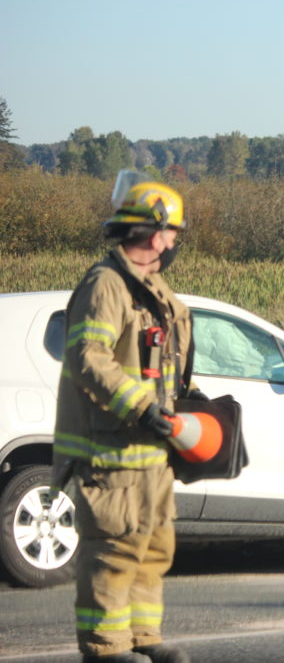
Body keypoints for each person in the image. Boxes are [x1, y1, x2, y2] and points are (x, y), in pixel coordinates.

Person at [53, 170, 199, 663]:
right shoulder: (107, 285)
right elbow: (89, 359)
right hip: (110, 453)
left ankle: (143, 641)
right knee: (114, 554)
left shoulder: (154, 291)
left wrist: (203, 411)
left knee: (152, 553)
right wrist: (141, 407)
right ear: (156, 232)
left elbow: (168, 369)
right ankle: (106, 650)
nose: (176, 242)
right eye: (175, 232)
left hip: (152, 455)